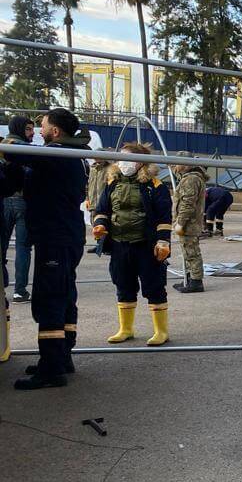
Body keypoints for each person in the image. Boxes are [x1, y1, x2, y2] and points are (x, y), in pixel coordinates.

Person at [7, 108, 89, 390]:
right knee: (64, 295)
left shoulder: (57, 154)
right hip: (65, 234)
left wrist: (11, 140)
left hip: (55, 237)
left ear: (55, 131)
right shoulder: (71, 155)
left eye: (42, 126)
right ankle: (61, 358)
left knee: (50, 299)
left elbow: (16, 153)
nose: (39, 132)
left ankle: (51, 369)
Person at [92, 143, 172, 347]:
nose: (123, 163)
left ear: (140, 162)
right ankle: (126, 329)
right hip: (120, 244)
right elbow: (102, 209)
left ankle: (161, 331)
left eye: (128, 159)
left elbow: (164, 217)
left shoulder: (155, 186)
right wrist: (100, 225)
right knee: (123, 285)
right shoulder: (112, 183)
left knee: (154, 286)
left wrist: (163, 241)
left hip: (146, 245)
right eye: (121, 158)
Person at [1, 116, 33, 303]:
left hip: (5, 201)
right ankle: (20, 291)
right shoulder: (26, 150)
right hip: (23, 201)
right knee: (23, 247)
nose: (31, 133)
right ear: (19, 128)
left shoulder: (3, 146)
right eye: (28, 129)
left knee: (2, 245)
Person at [171, 152, 207, 294]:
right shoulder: (189, 177)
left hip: (189, 223)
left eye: (177, 163)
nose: (175, 166)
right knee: (187, 252)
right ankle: (189, 278)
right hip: (189, 223)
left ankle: (196, 281)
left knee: (191, 252)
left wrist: (180, 222)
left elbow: (188, 203)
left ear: (185, 165)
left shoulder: (191, 180)